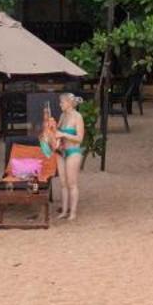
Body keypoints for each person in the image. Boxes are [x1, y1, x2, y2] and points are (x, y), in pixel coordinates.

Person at [55, 93, 87, 222]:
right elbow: (57, 131)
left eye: (62, 102)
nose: (60, 104)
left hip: (73, 151)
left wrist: (63, 134)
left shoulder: (77, 117)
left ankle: (73, 212)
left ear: (69, 103)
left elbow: (80, 138)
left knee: (72, 183)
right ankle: (64, 210)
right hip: (62, 151)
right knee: (63, 183)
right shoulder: (63, 116)